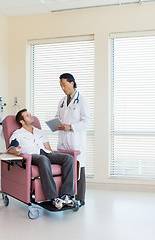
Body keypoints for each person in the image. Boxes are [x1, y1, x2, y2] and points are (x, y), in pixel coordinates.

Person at [8, 109, 74, 210]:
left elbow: (48, 148)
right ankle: (53, 198)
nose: (31, 116)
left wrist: (55, 156)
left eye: (30, 114)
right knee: (43, 159)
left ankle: (66, 195)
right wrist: (15, 151)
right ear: (22, 121)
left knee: (68, 158)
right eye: (27, 116)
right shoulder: (17, 134)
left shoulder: (40, 132)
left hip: (45, 153)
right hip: (32, 156)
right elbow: (11, 148)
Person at [56, 73, 91, 207]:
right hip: (63, 140)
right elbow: (58, 116)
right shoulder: (62, 101)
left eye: (64, 85)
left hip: (75, 140)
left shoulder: (81, 100)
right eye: (61, 86)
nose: (63, 88)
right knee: (66, 168)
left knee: (78, 169)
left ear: (72, 83)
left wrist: (70, 127)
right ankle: (67, 196)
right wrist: (56, 123)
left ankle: (80, 198)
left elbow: (86, 121)